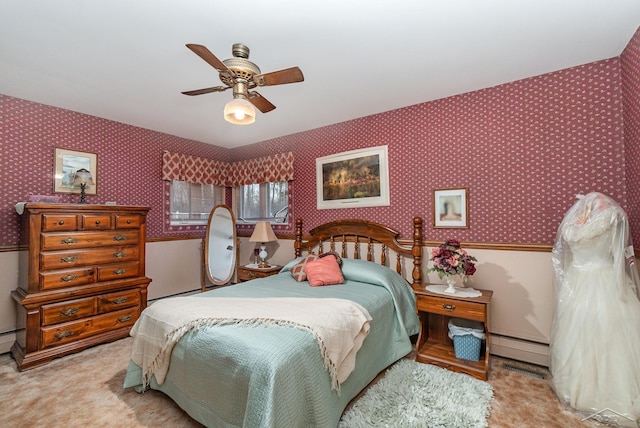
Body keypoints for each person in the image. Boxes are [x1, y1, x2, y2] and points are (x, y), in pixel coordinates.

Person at [550, 192, 640, 426]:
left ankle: (605, 393)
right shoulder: (583, 222)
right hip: (585, 280)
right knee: (578, 333)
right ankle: (579, 387)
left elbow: (621, 253)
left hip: (601, 281)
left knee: (607, 336)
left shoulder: (611, 217)